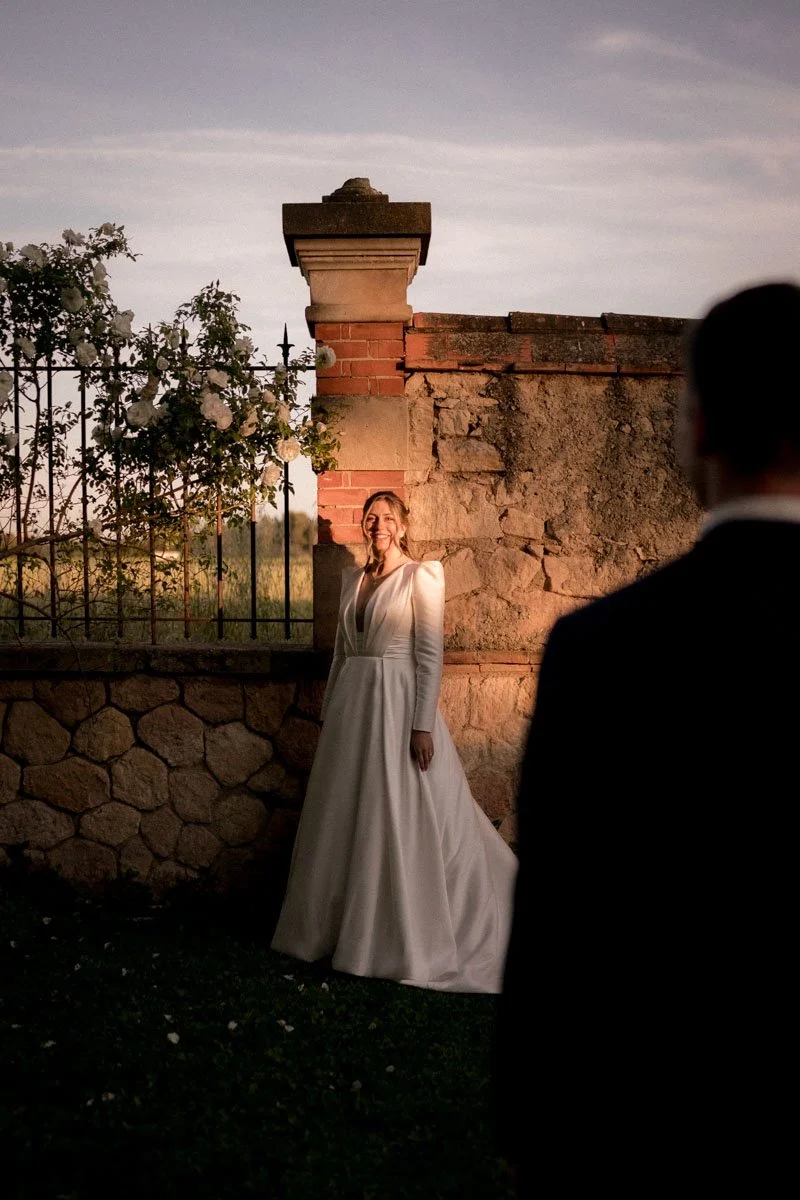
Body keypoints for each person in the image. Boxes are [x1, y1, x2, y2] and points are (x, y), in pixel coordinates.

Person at [498, 281, 800, 1194]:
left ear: (698, 426)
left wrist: (533, 1132)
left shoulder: (599, 650)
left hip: (652, 1133)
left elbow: (558, 932)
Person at [272, 490, 518, 993]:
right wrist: (331, 713)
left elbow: (430, 655)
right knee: (347, 815)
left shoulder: (419, 577)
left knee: (401, 814)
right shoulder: (352, 580)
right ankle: (335, 932)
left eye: (388, 518)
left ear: (403, 527)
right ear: (363, 525)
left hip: (398, 707)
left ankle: (403, 936)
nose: (378, 524)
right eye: (371, 517)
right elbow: (341, 655)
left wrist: (421, 724)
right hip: (353, 715)